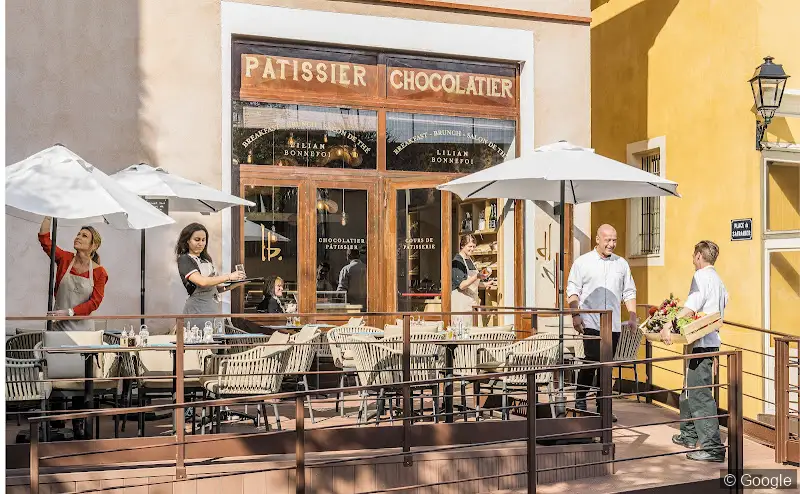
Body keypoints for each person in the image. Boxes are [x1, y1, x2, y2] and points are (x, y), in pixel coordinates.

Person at [663, 240, 727, 463]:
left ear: (699, 255)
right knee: (688, 391)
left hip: (700, 344)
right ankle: (689, 435)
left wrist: (669, 325)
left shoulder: (701, 277)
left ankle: (712, 448)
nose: (692, 259)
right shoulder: (719, 282)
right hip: (709, 343)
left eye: (693, 255)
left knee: (699, 396)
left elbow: (690, 308)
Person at [567, 224, 637, 417]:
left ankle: (603, 407)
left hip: (612, 325)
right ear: (597, 239)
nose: (612, 244)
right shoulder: (582, 263)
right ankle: (580, 401)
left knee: (607, 367)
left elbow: (629, 291)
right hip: (590, 323)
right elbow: (573, 290)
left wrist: (632, 316)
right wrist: (575, 315)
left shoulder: (621, 263)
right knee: (591, 362)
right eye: (608, 240)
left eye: (614, 240)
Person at [38, 217, 108, 331]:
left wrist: (70, 312)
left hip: (83, 331)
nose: (78, 237)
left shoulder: (100, 272)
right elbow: (45, 240)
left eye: (84, 236)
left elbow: (94, 303)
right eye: (78, 234)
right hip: (58, 326)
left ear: (94, 246)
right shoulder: (65, 259)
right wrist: (48, 217)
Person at [176, 223, 246, 330]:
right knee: (199, 342)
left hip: (213, 308)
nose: (201, 243)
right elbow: (202, 282)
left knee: (215, 342)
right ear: (187, 241)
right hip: (197, 309)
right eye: (197, 239)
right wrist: (229, 276)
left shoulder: (206, 260)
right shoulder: (185, 259)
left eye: (203, 240)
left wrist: (235, 284)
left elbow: (216, 288)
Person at [451, 234, 486, 326]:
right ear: (462, 246)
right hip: (461, 303)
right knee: (463, 330)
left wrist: (486, 284)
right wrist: (477, 276)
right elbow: (462, 285)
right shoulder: (457, 261)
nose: (472, 249)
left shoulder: (470, 260)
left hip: (472, 301)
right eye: (469, 246)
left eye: (474, 246)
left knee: (474, 330)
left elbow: (473, 282)